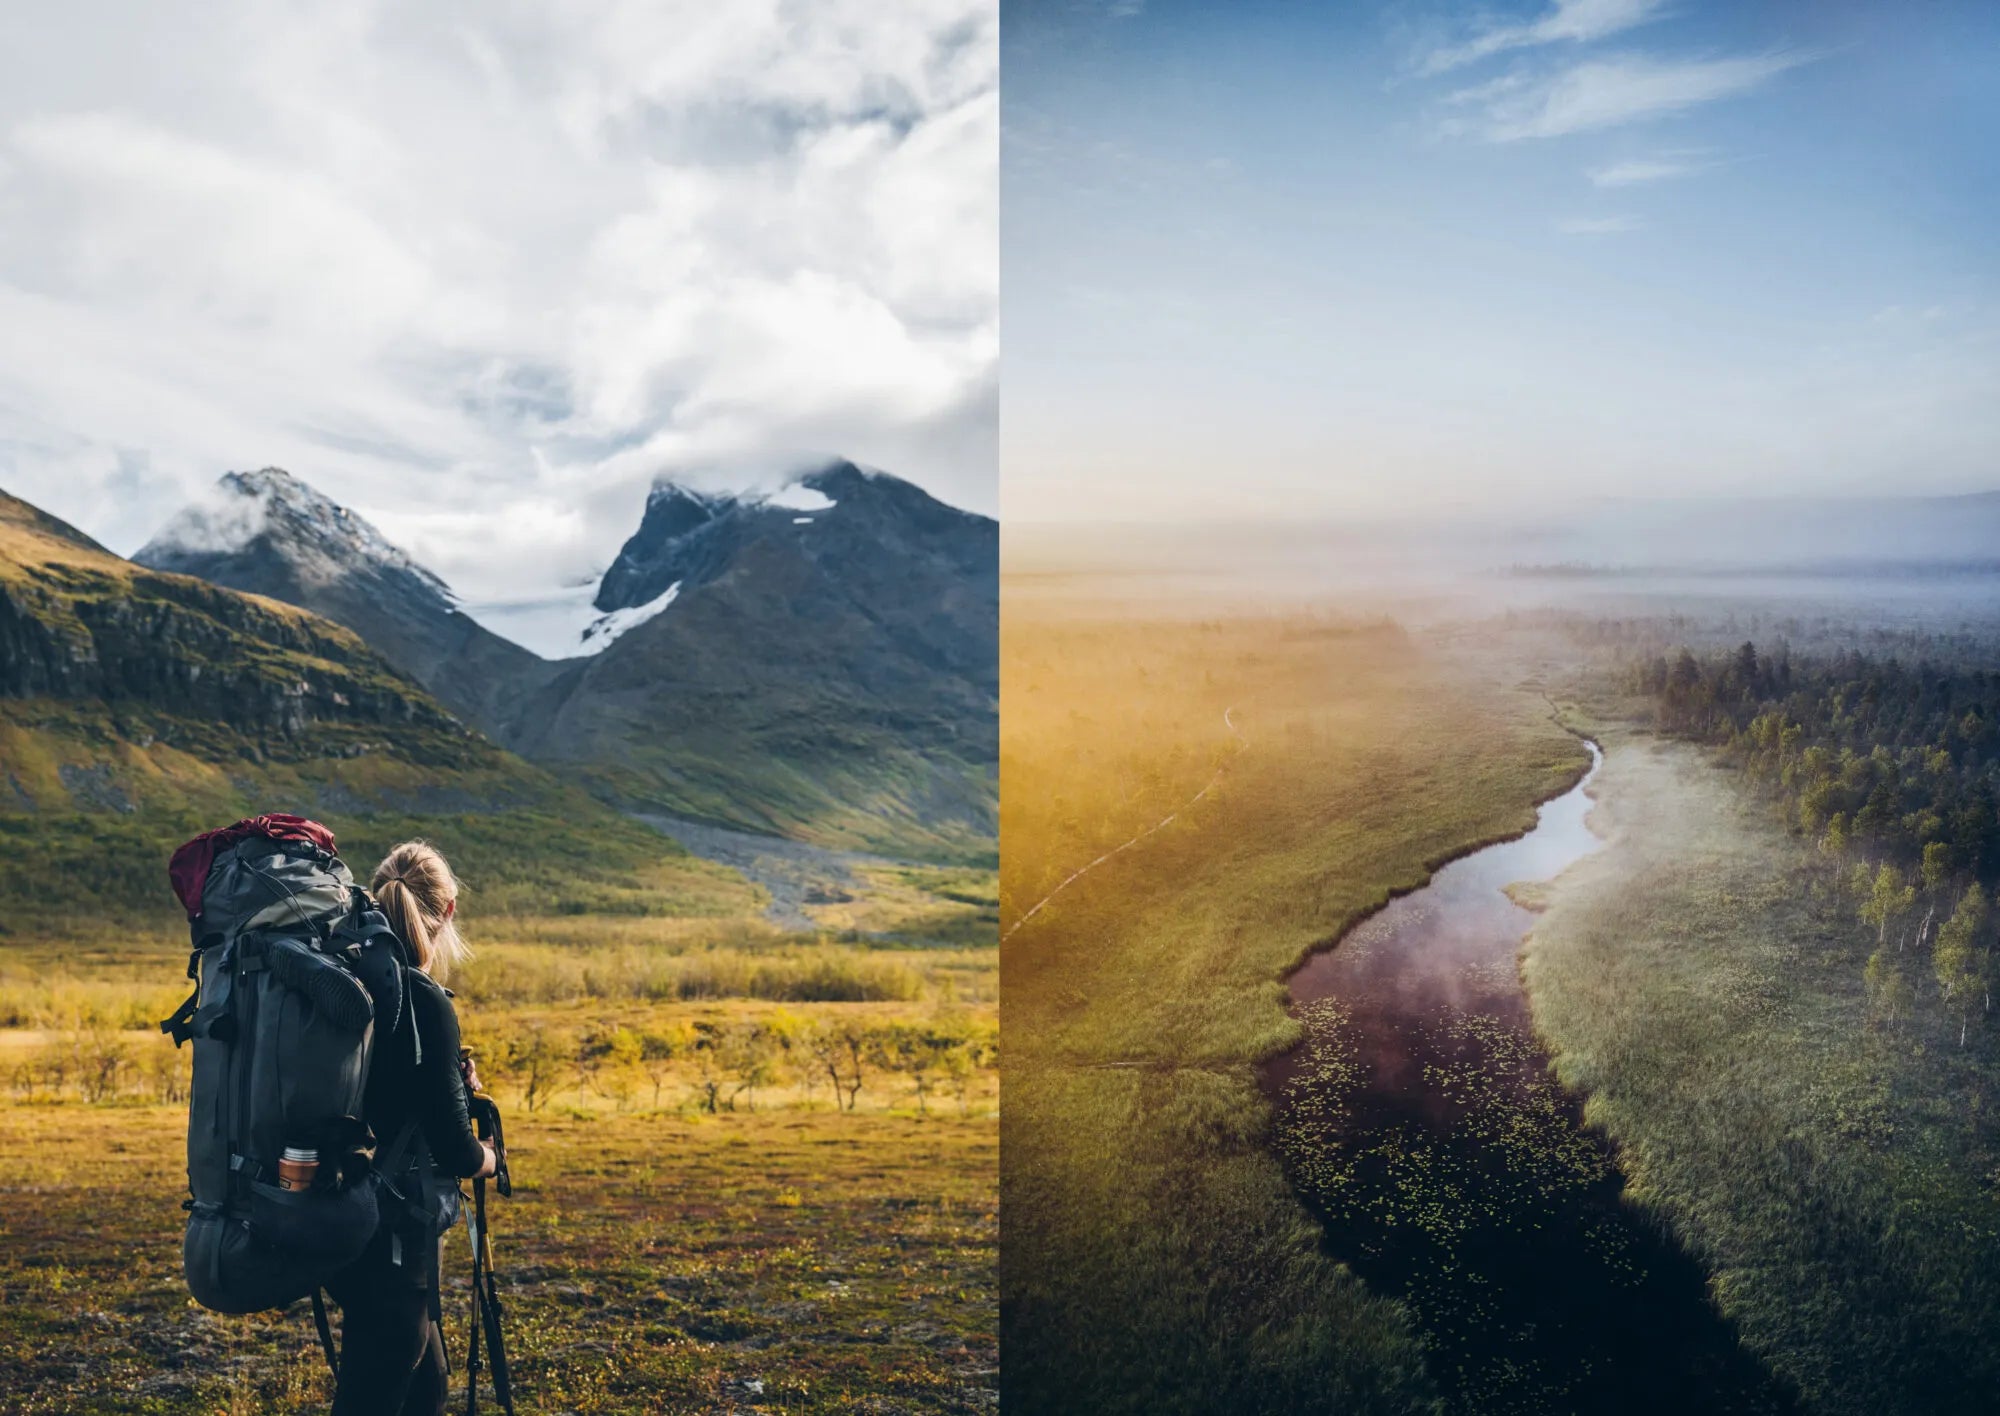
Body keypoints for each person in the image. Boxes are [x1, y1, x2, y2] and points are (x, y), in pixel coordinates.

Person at [323, 840, 497, 1416]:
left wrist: (446, 1079)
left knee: (425, 1385)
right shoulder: (424, 1000)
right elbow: (454, 1148)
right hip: (394, 1233)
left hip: (348, 1210)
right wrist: (489, 1158)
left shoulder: (354, 984)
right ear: (447, 911)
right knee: (377, 1389)